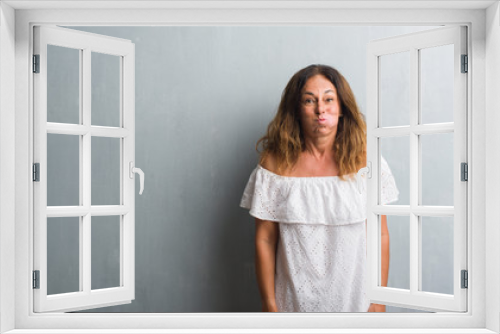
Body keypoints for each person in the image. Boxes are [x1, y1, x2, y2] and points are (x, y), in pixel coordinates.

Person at [240, 64, 399, 312]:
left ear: (341, 108)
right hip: (292, 304)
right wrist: (269, 303)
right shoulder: (274, 164)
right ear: (296, 108)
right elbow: (265, 239)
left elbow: (379, 235)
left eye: (328, 99)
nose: (320, 109)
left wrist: (378, 300)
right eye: (309, 100)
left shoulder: (366, 161)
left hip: (356, 302)